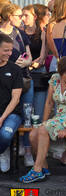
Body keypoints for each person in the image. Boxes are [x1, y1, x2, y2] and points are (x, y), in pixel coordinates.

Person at [18, 57, 66, 183]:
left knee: (43, 130)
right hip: (60, 117)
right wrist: (44, 123)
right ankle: (44, 167)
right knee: (33, 134)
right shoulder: (54, 79)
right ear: (60, 73)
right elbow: (49, 103)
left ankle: (37, 170)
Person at [0, 3, 34, 166]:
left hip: (24, 79)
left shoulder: (20, 34)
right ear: (9, 16)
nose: (21, 19)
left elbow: (29, 57)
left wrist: (22, 64)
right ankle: (6, 150)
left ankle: (27, 151)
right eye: (18, 16)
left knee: (27, 117)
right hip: (6, 81)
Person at [0, 34, 23, 173]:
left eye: (11, 50)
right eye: (6, 50)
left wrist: (2, 118)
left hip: (12, 113)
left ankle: (3, 151)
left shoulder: (15, 69)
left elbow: (16, 99)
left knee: (5, 135)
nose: (10, 53)